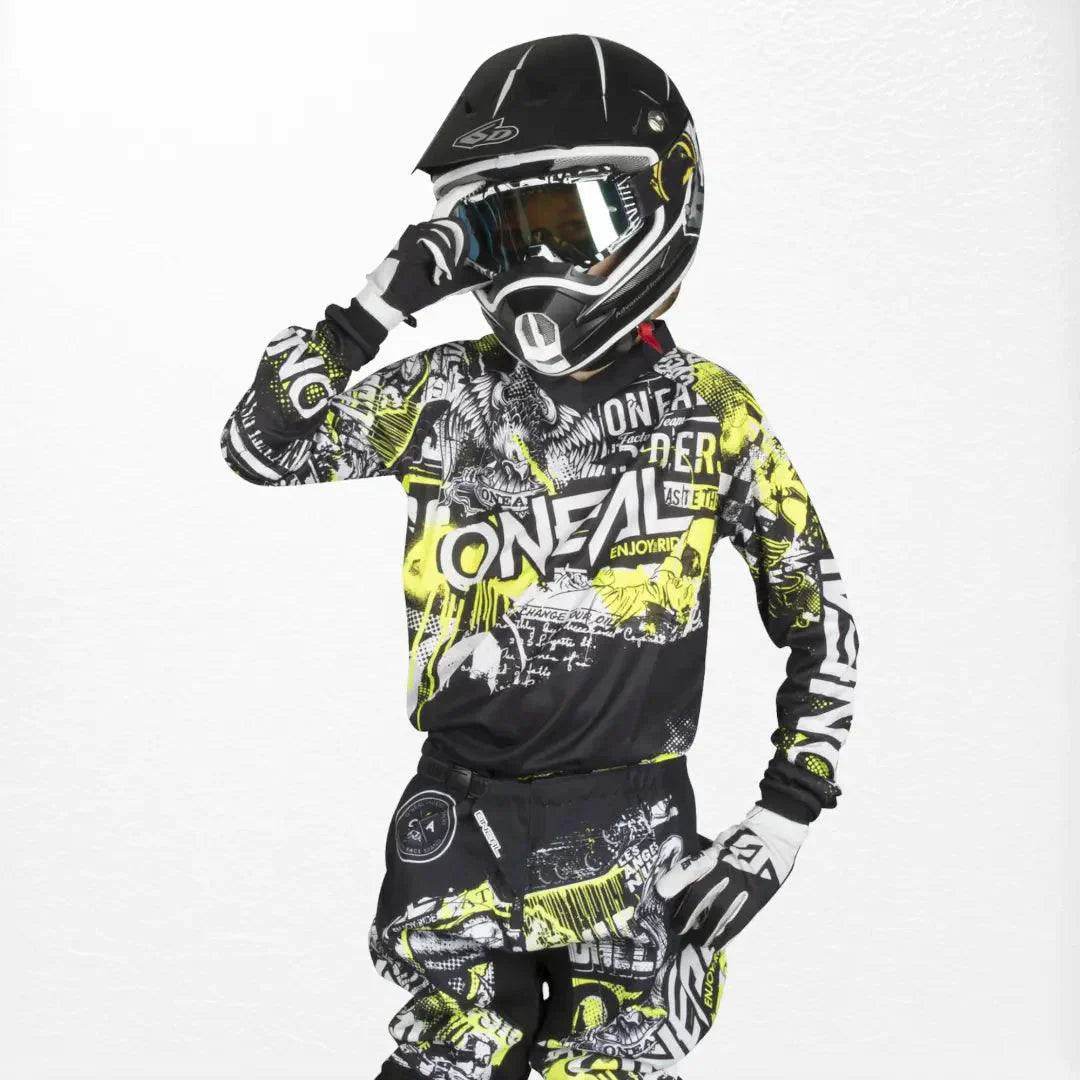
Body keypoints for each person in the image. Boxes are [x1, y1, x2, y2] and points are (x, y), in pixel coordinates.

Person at [220, 34, 858, 1080]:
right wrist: (373, 306)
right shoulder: (447, 394)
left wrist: (784, 816)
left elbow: (819, 616)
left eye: (566, 225)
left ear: (656, 205)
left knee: (606, 1061)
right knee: (448, 1057)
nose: (533, 267)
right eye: (500, 234)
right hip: (463, 820)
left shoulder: (713, 413)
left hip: (634, 829)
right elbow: (261, 448)